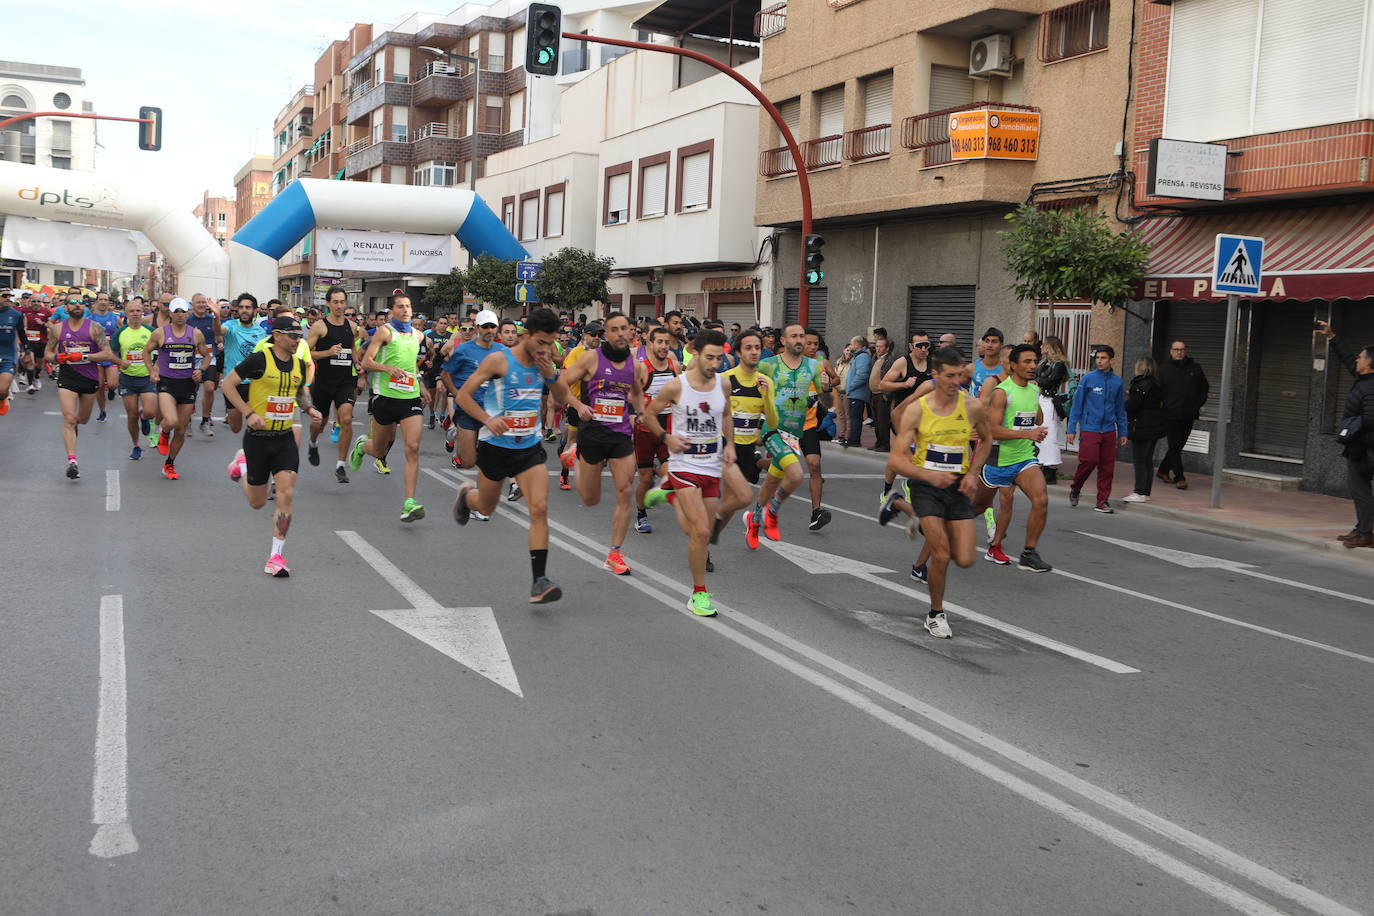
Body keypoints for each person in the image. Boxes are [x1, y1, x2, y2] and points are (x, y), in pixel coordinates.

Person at [451, 307, 575, 604]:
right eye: (542, 342)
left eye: (551, 343)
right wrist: (487, 419)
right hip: (496, 446)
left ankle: (539, 581)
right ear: (527, 335)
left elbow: (561, 398)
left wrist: (550, 373)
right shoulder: (499, 360)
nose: (546, 349)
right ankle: (467, 497)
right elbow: (463, 396)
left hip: (529, 448)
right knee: (486, 506)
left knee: (540, 508)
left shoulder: (544, 362)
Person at [640, 329, 751, 617]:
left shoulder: (723, 385)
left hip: (712, 465)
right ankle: (698, 593)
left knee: (697, 532)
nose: (715, 364)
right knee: (702, 531)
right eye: (710, 358)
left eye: (719, 358)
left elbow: (726, 414)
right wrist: (666, 439)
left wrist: (730, 445)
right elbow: (649, 414)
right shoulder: (677, 386)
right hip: (684, 464)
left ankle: (671, 496)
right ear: (696, 354)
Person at [886, 346, 994, 638]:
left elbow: (986, 440)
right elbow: (896, 460)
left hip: (958, 485)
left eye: (959, 375)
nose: (955, 381)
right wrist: (928, 475)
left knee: (966, 558)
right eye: (949, 376)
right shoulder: (917, 410)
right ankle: (935, 613)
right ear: (935, 374)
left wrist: (972, 473)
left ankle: (916, 519)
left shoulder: (971, 406)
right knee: (941, 554)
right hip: (925, 485)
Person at [222, 316, 322, 577]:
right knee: (256, 502)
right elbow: (227, 384)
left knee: (286, 494)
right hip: (257, 440)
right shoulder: (260, 359)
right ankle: (242, 464)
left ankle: (276, 555)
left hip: (284, 438)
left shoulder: (299, 364)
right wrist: (247, 413)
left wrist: (309, 408)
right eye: (291, 335)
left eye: (298, 335)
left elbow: (299, 391)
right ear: (276, 335)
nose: (296, 339)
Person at [558, 312, 646, 576]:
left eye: (625, 329)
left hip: (620, 436)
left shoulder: (635, 365)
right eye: (615, 329)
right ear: (605, 334)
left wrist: (638, 414)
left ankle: (615, 553)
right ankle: (573, 455)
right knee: (589, 498)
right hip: (592, 434)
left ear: (631, 332)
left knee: (624, 490)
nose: (621, 333)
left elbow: (638, 395)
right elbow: (561, 383)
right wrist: (577, 404)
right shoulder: (590, 358)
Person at [970, 344, 1052, 572]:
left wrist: (1037, 421)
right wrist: (1028, 432)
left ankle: (1028, 552)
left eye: (1035, 361)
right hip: (998, 459)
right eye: (1026, 362)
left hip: (1024, 457)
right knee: (977, 507)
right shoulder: (1002, 392)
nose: (1032, 366)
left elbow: (1036, 418)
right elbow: (994, 430)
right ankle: (947, 527)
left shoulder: (1034, 390)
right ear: (1013, 365)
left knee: (1041, 500)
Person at [348, 294, 430, 522]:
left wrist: (421, 385)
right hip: (385, 397)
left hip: (410, 398)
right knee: (379, 450)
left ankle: (409, 503)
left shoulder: (418, 335)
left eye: (408, 306)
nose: (405, 310)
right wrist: (386, 369)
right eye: (400, 307)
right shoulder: (385, 332)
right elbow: (366, 362)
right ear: (392, 311)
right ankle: (363, 446)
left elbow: (412, 363)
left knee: (412, 447)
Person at [758, 324, 832, 532]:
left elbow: (827, 394)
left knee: (814, 465)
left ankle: (816, 511)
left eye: (812, 343)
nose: (807, 345)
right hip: (782, 426)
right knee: (777, 468)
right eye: (802, 340)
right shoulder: (771, 365)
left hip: (807, 424)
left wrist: (826, 386)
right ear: (784, 341)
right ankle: (756, 463)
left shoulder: (817, 366)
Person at [1316, 320, 1374, 548]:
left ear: (1370, 363)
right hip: (1360, 447)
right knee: (1359, 490)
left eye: (1362, 357)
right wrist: (1332, 336)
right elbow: (1349, 360)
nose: (1357, 360)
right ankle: (1362, 529)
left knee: (1361, 490)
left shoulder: (1370, 386)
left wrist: (1349, 430)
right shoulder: (1365, 379)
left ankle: (1366, 533)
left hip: (1365, 448)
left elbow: (1370, 419)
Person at [720, 329, 779, 551]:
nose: (754, 352)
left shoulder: (765, 382)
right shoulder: (726, 379)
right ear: (737, 352)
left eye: (757, 347)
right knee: (731, 499)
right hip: (725, 445)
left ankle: (709, 535)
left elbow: (772, 422)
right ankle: (705, 542)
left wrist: (766, 397)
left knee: (729, 505)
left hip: (746, 449)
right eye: (748, 348)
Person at [46, 293, 116, 478]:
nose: (77, 305)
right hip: (67, 377)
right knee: (69, 418)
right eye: (73, 302)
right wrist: (56, 357)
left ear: (85, 307)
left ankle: (75, 427)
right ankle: (72, 461)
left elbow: (107, 354)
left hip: (90, 379)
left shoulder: (95, 328)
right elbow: (47, 353)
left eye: (81, 303)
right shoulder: (57, 330)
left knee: (82, 420)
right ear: (66, 307)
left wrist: (84, 357)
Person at [146, 298, 213, 479]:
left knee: (182, 429)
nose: (180, 314)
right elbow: (146, 351)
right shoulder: (160, 333)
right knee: (172, 420)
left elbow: (207, 356)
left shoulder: (196, 334)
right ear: (171, 313)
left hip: (187, 384)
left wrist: (201, 369)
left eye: (183, 311)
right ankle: (164, 431)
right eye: (176, 311)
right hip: (167, 383)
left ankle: (169, 464)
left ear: (188, 313)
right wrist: (152, 370)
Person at [305, 287, 364, 481]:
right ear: (328, 303)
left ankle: (340, 466)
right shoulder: (320, 327)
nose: (339, 306)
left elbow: (352, 348)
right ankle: (312, 443)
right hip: (324, 382)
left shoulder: (352, 326)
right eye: (336, 302)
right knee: (319, 424)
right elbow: (306, 353)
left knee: (346, 419)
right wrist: (327, 353)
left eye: (342, 302)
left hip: (346, 381)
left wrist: (357, 363)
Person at [441, 309, 504, 473]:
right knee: (468, 462)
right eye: (485, 327)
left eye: (492, 326)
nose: (489, 330)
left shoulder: (502, 350)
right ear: (477, 328)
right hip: (467, 409)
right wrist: (457, 393)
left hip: (492, 410)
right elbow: (445, 374)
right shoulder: (464, 350)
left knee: (492, 460)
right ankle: (456, 432)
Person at [1067, 346, 1128, 513]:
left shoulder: (1117, 381)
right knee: (1089, 461)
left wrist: (1123, 431)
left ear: (1111, 360)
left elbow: (1120, 409)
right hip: (1090, 428)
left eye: (1103, 358)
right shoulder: (1088, 379)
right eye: (1097, 358)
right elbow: (1077, 406)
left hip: (1109, 429)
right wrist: (1071, 429)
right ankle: (1076, 488)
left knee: (1107, 467)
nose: (1099, 361)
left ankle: (1102, 500)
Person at [632, 325, 680, 533]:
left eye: (666, 342)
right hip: (644, 432)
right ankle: (641, 515)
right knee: (643, 478)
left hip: (667, 428)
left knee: (672, 473)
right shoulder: (642, 368)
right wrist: (636, 413)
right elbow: (632, 395)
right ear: (650, 344)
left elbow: (680, 395)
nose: (663, 346)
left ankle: (655, 477)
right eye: (659, 342)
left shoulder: (674, 366)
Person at [1156, 340, 1209, 490]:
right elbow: (1157, 391)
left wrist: (1198, 403)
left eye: (1182, 349)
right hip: (1170, 414)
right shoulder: (1163, 369)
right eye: (1176, 349)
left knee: (1178, 446)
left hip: (1188, 414)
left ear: (1186, 351)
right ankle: (1179, 477)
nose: (1179, 352)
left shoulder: (1195, 368)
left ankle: (1162, 470)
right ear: (1171, 351)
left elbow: (1204, 387)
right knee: (1174, 446)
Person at [110, 299, 158, 460]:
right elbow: (112, 353)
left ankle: (144, 417)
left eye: (138, 310)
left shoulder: (151, 331)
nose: (136, 314)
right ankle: (136, 445)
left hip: (146, 377)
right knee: (131, 415)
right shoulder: (120, 333)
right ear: (127, 313)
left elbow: (162, 350)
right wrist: (120, 363)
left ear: (142, 312)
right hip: (128, 379)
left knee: (151, 412)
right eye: (132, 311)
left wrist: (156, 367)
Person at [221, 293, 269, 434]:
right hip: (233, 384)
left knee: (257, 423)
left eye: (248, 307)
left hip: (253, 384)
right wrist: (216, 318)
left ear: (254, 311)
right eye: (241, 307)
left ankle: (252, 451)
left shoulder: (260, 332)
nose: (244, 310)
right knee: (235, 428)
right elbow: (219, 331)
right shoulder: (230, 326)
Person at [1123, 356, 1169, 504]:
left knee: (1139, 460)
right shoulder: (1157, 384)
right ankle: (1146, 492)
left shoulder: (1139, 385)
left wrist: (1126, 400)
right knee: (1147, 460)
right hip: (1154, 426)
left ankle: (1139, 491)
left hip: (1141, 426)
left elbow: (1133, 407)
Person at [186, 293, 222, 437]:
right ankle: (187, 420)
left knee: (209, 388)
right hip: (191, 359)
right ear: (193, 304)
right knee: (191, 390)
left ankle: (205, 421)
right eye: (198, 302)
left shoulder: (211, 319)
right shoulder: (188, 320)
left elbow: (218, 334)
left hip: (209, 358)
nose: (201, 305)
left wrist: (219, 342)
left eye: (203, 302)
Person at [1035, 336, 1070, 484]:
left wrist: (1039, 382)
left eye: (1044, 345)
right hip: (1040, 399)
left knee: (1050, 433)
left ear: (1050, 347)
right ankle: (1042, 464)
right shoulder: (1044, 364)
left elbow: (1049, 381)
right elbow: (1038, 378)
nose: (1041, 347)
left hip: (1049, 401)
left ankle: (1051, 469)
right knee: (1040, 431)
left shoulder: (1059, 365)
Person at [86, 292, 121, 421]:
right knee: (99, 386)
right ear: (96, 302)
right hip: (97, 356)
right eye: (100, 299)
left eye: (105, 299)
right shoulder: (89, 319)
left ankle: (112, 391)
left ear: (108, 302)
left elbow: (121, 335)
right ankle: (102, 411)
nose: (103, 302)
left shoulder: (115, 318)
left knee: (112, 384)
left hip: (111, 356)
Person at [867, 330, 898, 452]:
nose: (878, 349)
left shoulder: (889, 360)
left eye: (880, 347)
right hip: (874, 394)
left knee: (883, 421)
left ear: (887, 348)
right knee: (876, 421)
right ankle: (878, 442)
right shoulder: (876, 358)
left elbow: (892, 378)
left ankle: (885, 444)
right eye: (877, 346)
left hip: (882, 394)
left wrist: (887, 394)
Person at [838, 336, 871, 448]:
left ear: (857, 345)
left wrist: (850, 387)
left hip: (857, 393)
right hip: (854, 393)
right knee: (853, 417)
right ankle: (852, 439)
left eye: (851, 344)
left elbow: (862, 376)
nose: (850, 346)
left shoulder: (862, 357)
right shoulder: (858, 357)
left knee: (855, 417)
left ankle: (854, 440)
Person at [18, 291, 53, 392]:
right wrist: (23, 327)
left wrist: (42, 323)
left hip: (41, 341)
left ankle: (36, 377)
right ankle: (31, 384)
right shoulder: (24, 311)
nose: (36, 303)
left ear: (41, 302)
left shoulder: (46, 312)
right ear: (30, 301)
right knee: (30, 362)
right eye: (34, 301)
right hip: (28, 341)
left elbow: (51, 325)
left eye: (38, 301)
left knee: (39, 364)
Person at [0, 289, 23, 413]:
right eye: (4, 296)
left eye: (10, 296)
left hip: (7, 355)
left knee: (2, 390)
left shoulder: (16, 315)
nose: (8, 298)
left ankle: (3, 397)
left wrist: (26, 348)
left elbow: (22, 333)